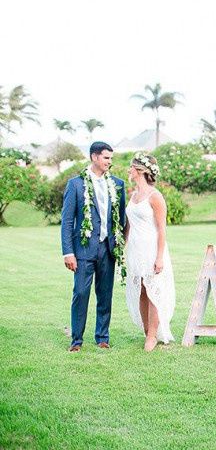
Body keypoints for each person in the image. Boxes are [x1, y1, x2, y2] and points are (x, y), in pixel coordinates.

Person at [61, 141, 126, 352]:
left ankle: (102, 337)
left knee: (105, 295)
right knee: (80, 293)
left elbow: (121, 219)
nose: (110, 162)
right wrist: (68, 252)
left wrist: (119, 245)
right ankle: (76, 340)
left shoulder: (117, 184)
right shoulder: (76, 184)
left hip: (108, 250)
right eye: (106, 158)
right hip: (83, 250)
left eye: (111, 158)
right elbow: (67, 221)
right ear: (94, 157)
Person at [124, 152, 176, 351]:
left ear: (139, 171)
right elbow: (129, 224)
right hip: (135, 249)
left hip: (151, 248)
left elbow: (162, 228)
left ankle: (153, 336)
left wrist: (159, 257)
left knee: (153, 290)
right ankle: (147, 332)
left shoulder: (156, 197)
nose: (129, 170)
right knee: (140, 290)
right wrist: (123, 244)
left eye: (131, 167)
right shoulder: (133, 195)